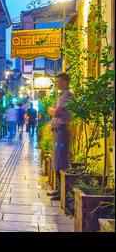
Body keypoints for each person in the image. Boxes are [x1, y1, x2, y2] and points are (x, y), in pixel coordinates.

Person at [47, 73, 74, 201]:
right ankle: (58, 189)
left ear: (65, 82)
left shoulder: (67, 95)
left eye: (59, 81)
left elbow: (56, 111)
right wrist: (55, 110)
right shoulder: (62, 95)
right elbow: (56, 110)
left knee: (60, 159)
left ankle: (61, 192)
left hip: (61, 131)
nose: (57, 84)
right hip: (57, 131)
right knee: (57, 159)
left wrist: (53, 110)